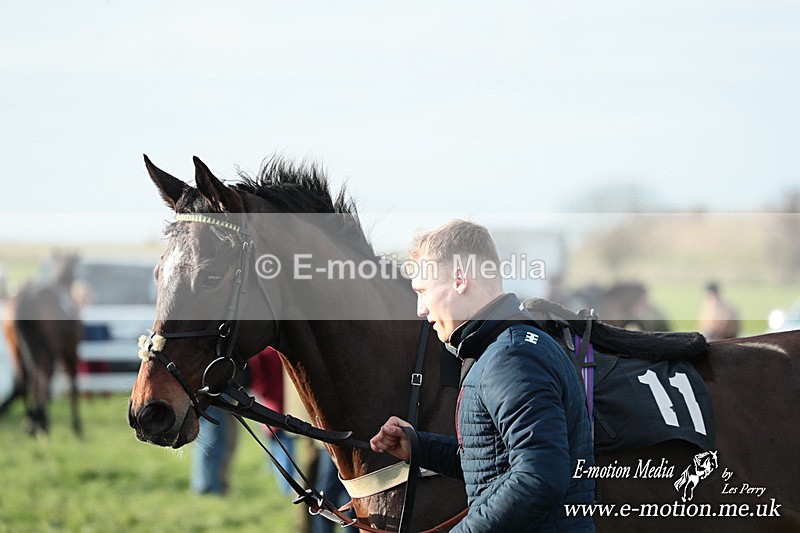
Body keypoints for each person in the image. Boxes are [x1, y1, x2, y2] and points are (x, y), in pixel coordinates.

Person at [370, 219, 595, 532]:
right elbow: (493, 462)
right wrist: (420, 447)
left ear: (460, 279)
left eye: (423, 291)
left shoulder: (512, 358)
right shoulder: (499, 350)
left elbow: (540, 476)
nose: (421, 309)